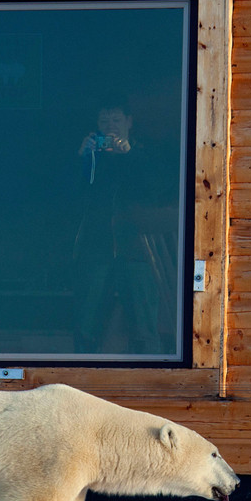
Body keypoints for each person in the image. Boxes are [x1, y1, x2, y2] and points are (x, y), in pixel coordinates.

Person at [73, 106, 175, 356]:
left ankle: (149, 372)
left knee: (144, 324)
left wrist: (130, 155)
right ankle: (83, 368)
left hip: (137, 250)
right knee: (87, 322)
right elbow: (75, 195)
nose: (110, 126)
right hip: (98, 249)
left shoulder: (144, 155)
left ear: (129, 121)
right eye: (104, 121)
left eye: (116, 120)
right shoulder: (95, 158)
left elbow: (156, 191)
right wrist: (83, 158)